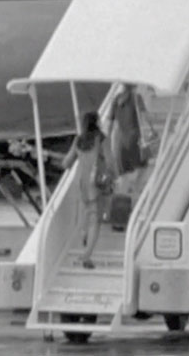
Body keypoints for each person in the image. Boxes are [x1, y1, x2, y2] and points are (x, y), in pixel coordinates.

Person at [62, 111, 114, 269]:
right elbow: (111, 162)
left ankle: (85, 236)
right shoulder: (102, 139)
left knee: (86, 216)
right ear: (97, 122)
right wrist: (113, 176)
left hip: (82, 184)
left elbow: (66, 163)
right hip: (97, 185)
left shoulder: (78, 140)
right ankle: (86, 256)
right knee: (95, 222)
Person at [109, 84, 147, 203]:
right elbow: (145, 117)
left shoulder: (116, 99)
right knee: (142, 167)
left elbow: (110, 122)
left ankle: (123, 201)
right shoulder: (137, 97)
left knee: (124, 174)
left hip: (121, 141)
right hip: (135, 139)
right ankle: (135, 194)